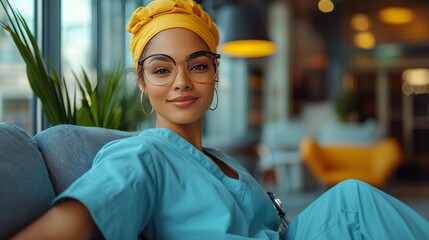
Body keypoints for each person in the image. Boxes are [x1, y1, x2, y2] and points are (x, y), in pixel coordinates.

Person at [11, 0, 429, 239]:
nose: (181, 83)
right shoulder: (140, 155)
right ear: (142, 81)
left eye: (197, 66)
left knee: (353, 197)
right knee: (354, 199)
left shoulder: (220, 159)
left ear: (214, 73)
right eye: (161, 70)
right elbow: (69, 226)